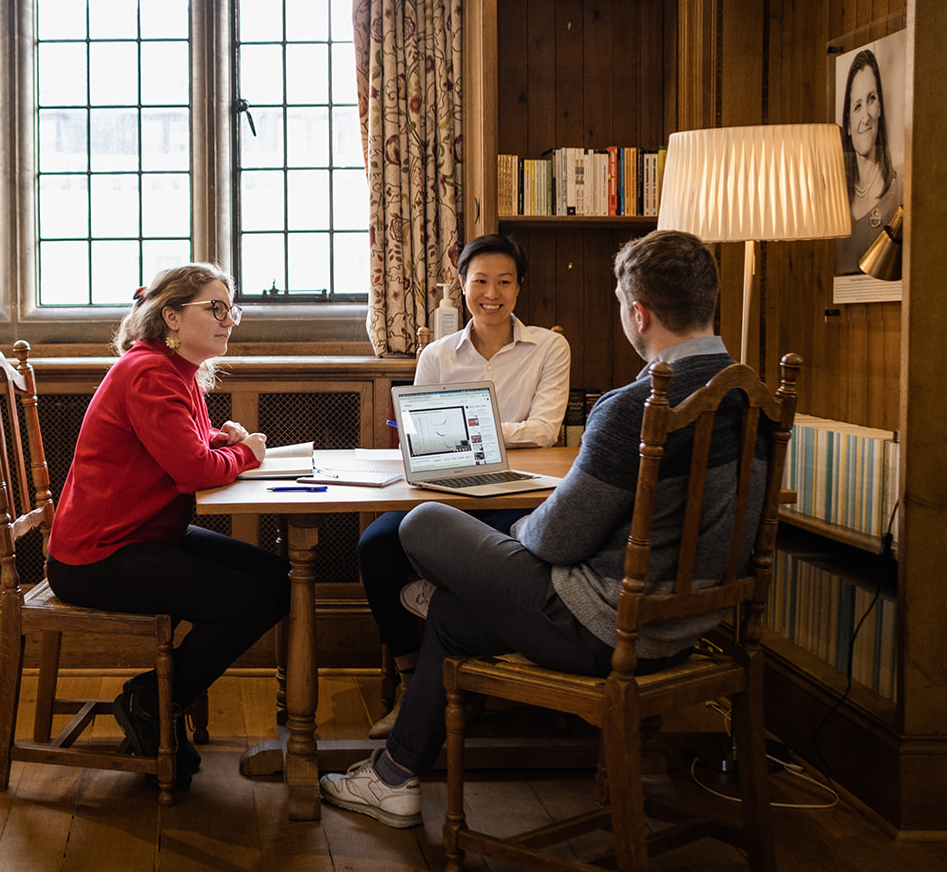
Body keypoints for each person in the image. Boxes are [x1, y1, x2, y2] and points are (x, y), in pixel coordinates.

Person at [321, 229, 768, 828]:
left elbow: (557, 541)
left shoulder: (634, 407)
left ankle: (399, 759)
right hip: (689, 628)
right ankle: (393, 779)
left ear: (638, 312)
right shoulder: (755, 397)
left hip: (603, 626)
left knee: (424, 521)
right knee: (453, 615)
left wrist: (515, 534)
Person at [45, 262, 290, 789]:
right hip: (99, 555)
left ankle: (160, 698)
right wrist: (245, 453)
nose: (229, 321)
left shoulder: (171, 369)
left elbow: (189, 448)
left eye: (232, 309)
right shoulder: (150, 372)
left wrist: (228, 444)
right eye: (216, 308)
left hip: (146, 534)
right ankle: (151, 700)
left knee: (277, 579)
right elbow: (194, 470)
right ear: (172, 317)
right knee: (250, 602)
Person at [358, 233, 570, 738]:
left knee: (493, 554)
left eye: (504, 282)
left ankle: (472, 678)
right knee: (375, 545)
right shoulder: (437, 354)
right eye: (480, 281)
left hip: (517, 493)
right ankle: (413, 679)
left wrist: (466, 432)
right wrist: (481, 437)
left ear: (520, 289)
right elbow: (423, 436)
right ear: (461, 284)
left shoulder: (549, 347)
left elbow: (545, 430)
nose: (490, 294)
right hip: (443, 490)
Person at [842, 48, 902, 232]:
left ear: (880, 109)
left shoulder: (897, 191)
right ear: (849, 125)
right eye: (857, 106)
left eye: (871, 99)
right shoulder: (839, 198)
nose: (866, 116)